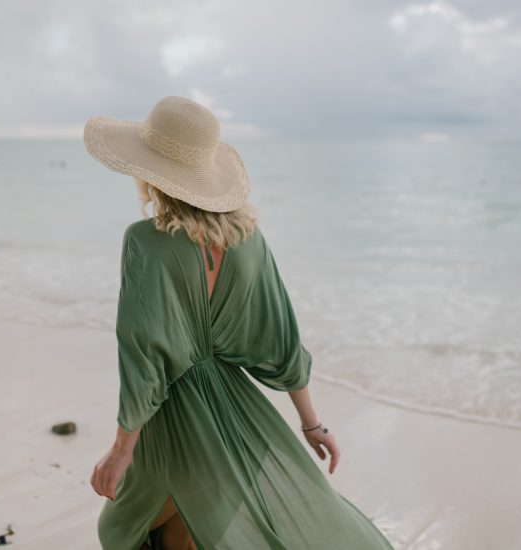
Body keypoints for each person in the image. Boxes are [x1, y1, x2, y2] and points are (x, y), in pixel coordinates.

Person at [84, 96, 394, 549]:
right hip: (237, 413)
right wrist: (311, 424)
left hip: (171, 417)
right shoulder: (249, 239)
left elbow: (144, 353)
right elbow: (281, 339)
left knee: (119, 529)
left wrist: (122, 449)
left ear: (152, 172)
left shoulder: (145, 242)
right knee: (188, 531)